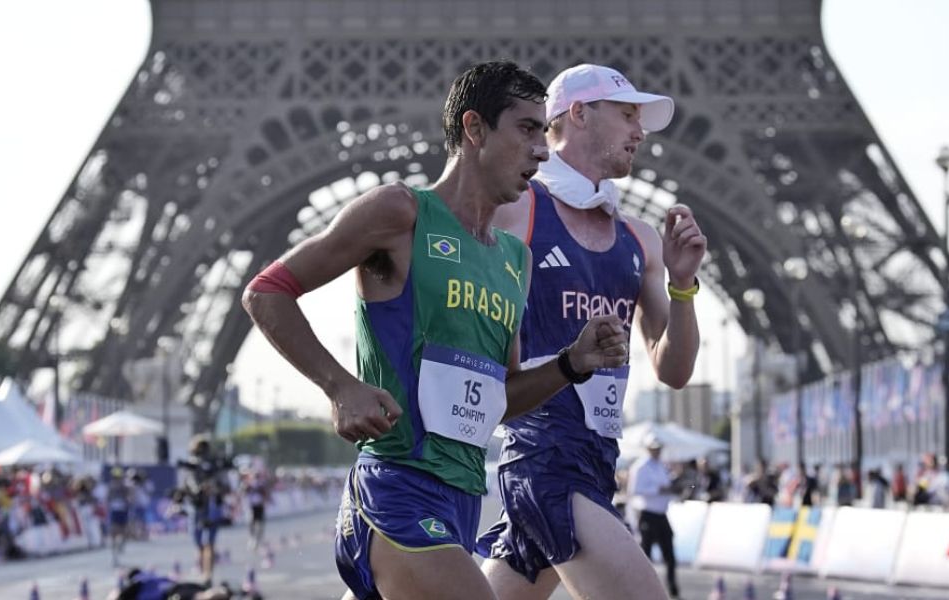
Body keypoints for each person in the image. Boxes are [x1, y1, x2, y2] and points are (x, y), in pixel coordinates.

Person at [242, 60, 630, 600]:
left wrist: (571, 362)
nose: (542, 151)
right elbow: (266, 290)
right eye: (526, 129)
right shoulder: (401, 212)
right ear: (474, 129)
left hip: (463, 501)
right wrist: (339, 386)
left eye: (545, 132)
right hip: (396, 486)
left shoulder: (516, 260)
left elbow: (499, 398)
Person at [474, 63, 704, 600]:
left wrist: (684, 284)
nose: (639, 131)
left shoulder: (640, 239)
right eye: (627, 114)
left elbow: (674, 370)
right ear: (577, 114)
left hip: (598, 460)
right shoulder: (517, 211)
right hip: (544, 459)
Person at [627, 436, 680, 599]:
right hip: (648, 514)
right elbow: (634, 490)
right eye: (654, 448)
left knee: (670, 555)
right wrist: (659, 489)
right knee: (645, 556)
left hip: (661, 514)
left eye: (659, 448)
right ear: (648, 449)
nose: (657, 451)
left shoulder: (661, 466)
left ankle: (673, 590)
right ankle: (640, 591)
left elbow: (666, 487)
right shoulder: (641, 467)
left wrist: (671, 489)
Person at [175, 435, 232, 586]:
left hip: (213, 507)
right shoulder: (190, 467)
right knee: (198, 541)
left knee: (210, 543)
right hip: (196, 507)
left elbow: (227, 486)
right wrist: (193, 492)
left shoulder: (216, 467)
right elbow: (184, 486)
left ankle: (208, 574)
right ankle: (202, 569)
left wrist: (214, 487)